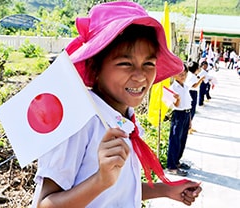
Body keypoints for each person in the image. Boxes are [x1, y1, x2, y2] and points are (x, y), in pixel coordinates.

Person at [32, 2, 202, 208]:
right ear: (95, 67)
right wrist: (100, 181)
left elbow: (118, 189)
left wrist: (165, 190)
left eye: (149, 63)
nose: (140, 76)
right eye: (125, 63)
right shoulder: (78, 121)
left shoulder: (122, 118)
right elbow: (45, 204)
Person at [167, 64, 192, 177]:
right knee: (175, 140)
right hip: (178, 115)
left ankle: (177, 161)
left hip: (186, 114)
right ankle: (172, 166)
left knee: (182, 140)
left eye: (185, 74)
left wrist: (190, 120)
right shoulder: (173, 89)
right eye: (180, 74)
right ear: (174, 75)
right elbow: (175, 105)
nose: (183, 76)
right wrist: (177, 99)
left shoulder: (186, 87)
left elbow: (188, 105)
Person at [185, 61, 205, 134]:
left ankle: (189, 126)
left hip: (191, 92)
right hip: (192, 92)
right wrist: (201, 80)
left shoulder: (190, 75)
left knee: (192, 110)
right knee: (191, 110)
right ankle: (188, 127)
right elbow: (194, 85)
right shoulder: (192, 76)